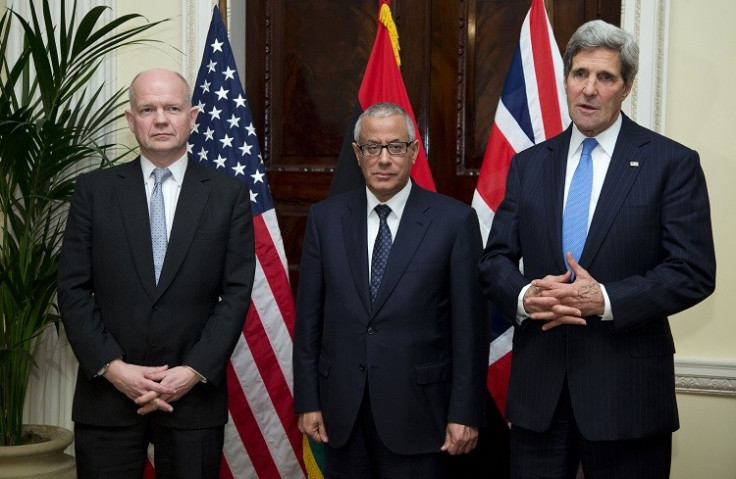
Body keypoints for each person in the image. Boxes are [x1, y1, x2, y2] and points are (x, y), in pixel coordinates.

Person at [478, 19, 716, 478]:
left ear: (626, 87)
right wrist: (528, 297)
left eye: (605, 77)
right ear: (566, 78)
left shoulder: (671, 163)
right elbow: (494, 261)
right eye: (579, 74)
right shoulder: (529, 165)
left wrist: (604, 300)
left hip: (627, 398)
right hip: (538, 395)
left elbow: (692, 271)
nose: (589, 89)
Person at [57, 68, 255, 478]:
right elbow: (73, 289)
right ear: (131, 121)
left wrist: (192, 371)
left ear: (193, 117)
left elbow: (236, 293)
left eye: (172, 108)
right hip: (107, 398)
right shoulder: (94, 191)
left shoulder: (227, 195)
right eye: (148, 109)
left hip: (193, 397)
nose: (161, 119)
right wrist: (114, 369)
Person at [293, 102, 488, 478]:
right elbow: (308, 322)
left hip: (421, 414)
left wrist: (464, 412)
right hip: (341, 415)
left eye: (395, 146)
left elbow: (470, 330)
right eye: (372, 147)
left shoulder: (454, 221)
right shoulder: (325, 219)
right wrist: (308, 401)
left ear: (413, 152)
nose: (384, 159)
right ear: (357, 153)